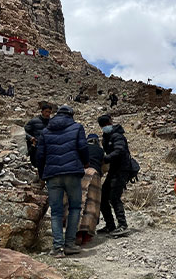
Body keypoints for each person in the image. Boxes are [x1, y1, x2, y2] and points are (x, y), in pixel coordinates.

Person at [36, 105, 89, 258]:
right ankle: (70, 244)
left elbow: (40, 155)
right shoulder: (77, 127)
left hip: (52, 175)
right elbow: (83, 147)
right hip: (72, 172)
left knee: (56, 212)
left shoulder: (46, 131)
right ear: (71, 115)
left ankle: (57, 248)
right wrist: (85, 163)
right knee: (74, 208)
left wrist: (42, 174)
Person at [97, 114, 132, 237]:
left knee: (114, 197)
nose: (105, 127)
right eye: (102, 126)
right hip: (113, 170)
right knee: (102, 197)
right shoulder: (106, 137)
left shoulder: (117, 136)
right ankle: (110, 225)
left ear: (110, 123)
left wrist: (106, 159)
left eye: (106, 124)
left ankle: (123, 225)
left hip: (122, 170)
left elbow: (119, 151)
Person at [75, 133, 105, 245]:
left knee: (80, 202)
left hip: (81, 174)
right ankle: (87, 235)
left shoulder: (82, 148)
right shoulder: (100, 151)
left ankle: (77, 233)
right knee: (93, 204)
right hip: (95, 175)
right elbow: (105, 167)